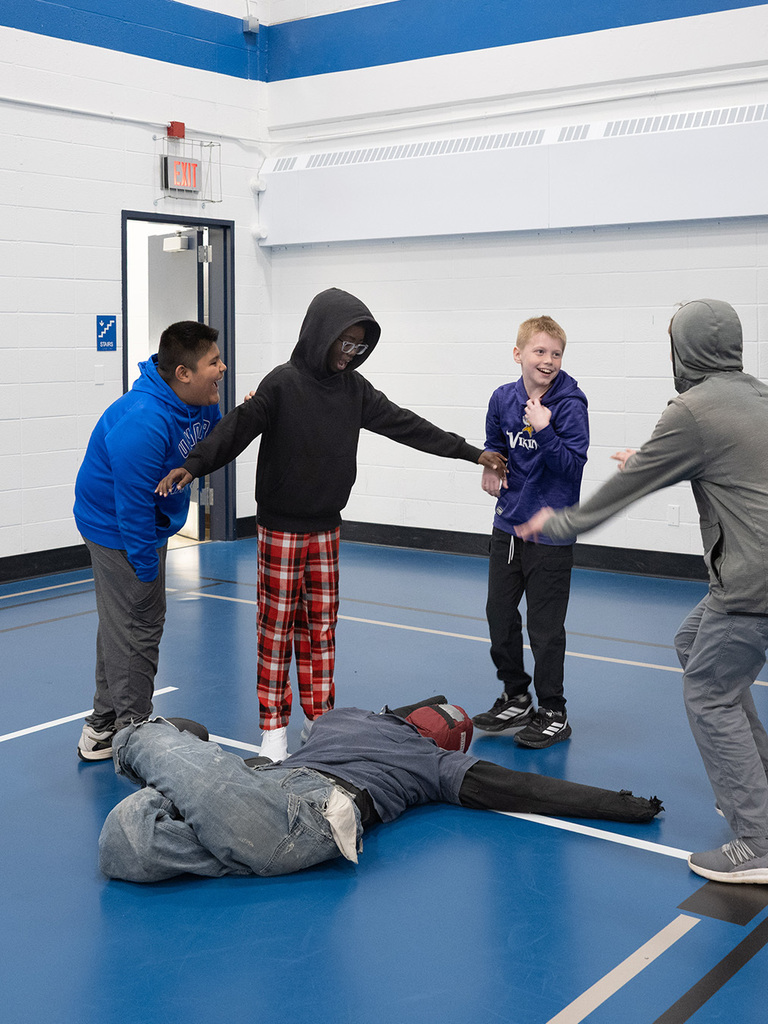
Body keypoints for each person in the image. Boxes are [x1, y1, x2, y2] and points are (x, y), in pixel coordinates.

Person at [156, 288, 507, 762]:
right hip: (281, 528)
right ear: (321, 334)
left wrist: (471, 452)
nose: (350, 353)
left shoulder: (355, 390)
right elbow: (235, 429)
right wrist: (194, 465)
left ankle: (319, 722)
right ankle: (273, 729)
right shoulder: (282, 384)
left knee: (320, 630)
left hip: (326, 529)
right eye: (345, 343)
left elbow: (408, 426)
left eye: (359, 346)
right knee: (276, 630)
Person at [516, 299, 768, 884]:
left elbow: (624, 491)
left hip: (751, 582)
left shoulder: (692, 409)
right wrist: (653, 460)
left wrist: (561, 522)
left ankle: (758, 839)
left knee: (709, 693)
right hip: (750, 573)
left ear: (685, 350)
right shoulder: (757, 395)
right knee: (692, 643)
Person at [98, 699, 663, 882]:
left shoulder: (346, 717)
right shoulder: (436, 761)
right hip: (272, 805)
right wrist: (620, 804)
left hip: (302, 817)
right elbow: (523, 787)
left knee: (131, 831)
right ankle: (172, 758)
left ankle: (159, 748)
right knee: (127, 846)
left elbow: (522, 787)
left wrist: (619, 805)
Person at [73, 321, 225, 762]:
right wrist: (144, 566)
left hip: (150, 520)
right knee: (139, 622)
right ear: (183, 373)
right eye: (213, 362)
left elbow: (214, 442)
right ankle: (134, 737)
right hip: (114, 525)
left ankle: (103, 728)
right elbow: (132, 506)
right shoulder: (144, 420)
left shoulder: (200, 403)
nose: (222, 368)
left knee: (122, 622)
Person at [472, 316, 589, 748]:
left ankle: (553, 710)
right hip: (508, 526)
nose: (548, 360)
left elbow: (571, 466)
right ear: (518, 354)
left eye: (556, 353)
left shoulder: (571, 405)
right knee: (499, 614)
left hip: (551, 535)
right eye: (540, 351)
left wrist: (544, 429)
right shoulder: (503, 398)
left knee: (545, 629)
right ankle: (516, 696)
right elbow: (495, 442)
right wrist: (491, 462)